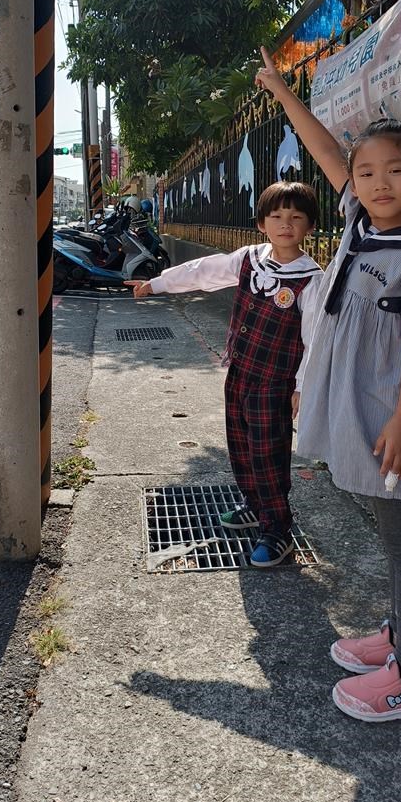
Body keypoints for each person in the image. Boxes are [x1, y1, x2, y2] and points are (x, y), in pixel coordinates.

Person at [255, 46, 401, 722]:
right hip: (363, 406)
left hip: (391, 413)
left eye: (395, 171)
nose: (377, 183)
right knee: (389, 532)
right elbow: (325, 151)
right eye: (366, 172)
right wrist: (283, 94)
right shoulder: (361, 223)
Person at [125, 180, 323, 567]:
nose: (286, 224)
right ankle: (255, 505)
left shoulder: (311, 280)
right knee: (241, 446)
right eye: (276, 216)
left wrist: (303, 387)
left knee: (269, 454)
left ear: (310, 226)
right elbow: (203, 272)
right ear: (261, 223)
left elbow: (315, 340)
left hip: (275, 382)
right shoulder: (250, 258)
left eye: (296, 217)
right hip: (241, 372)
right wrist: (158, 284)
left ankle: (277, 529)